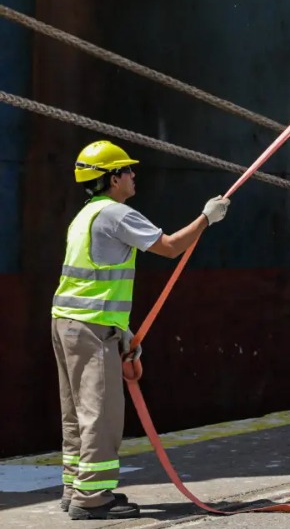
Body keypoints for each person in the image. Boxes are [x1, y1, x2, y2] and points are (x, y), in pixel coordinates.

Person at [54, 142, 229, 520]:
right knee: (101, 413)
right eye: (128, 170)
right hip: (91, 326)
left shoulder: (85, 215)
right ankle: (93, 498)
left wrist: (125, 332)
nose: (134, 175)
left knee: (76, 412)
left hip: (68, 322)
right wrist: (206, 219)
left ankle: (75, 487)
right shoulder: (117, 214)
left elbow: (93, 281)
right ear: (113, 178)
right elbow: (168, 248)